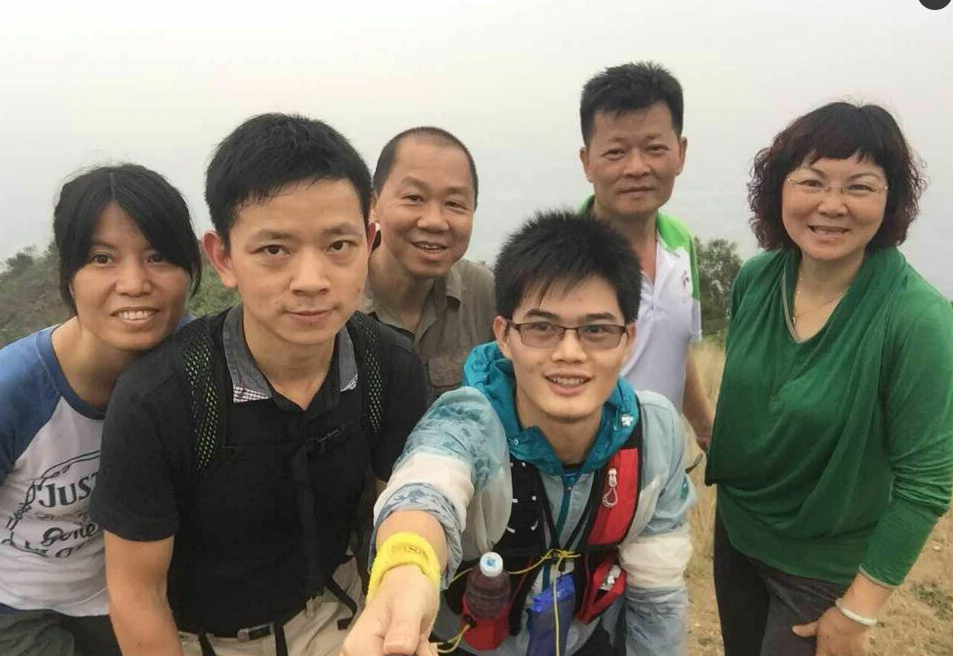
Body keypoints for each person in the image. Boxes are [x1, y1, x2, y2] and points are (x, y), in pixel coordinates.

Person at [89, 114, 428, 656]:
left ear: (369, 242)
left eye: (339, 245)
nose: (312, 280)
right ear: (223, 257)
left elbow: (400, 509)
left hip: (342, 613)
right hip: (208, 642)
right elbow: (136, 594)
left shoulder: (388, 364)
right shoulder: (163, 398)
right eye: (275, 250)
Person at [341, 210, 696, 656]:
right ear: (504, 336)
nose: (570, 352)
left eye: (597, 330)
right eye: (542, 328)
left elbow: (657, 593)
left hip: (587, 640)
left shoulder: (653, 435)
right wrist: (407, 568)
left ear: (628, 339)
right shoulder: (468, 421)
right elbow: (426, 487)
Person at [705, 102, 953, 656]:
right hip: (738, 534)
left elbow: (926, 484)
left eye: (859, 186)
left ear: (891, 198)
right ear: (780, 188)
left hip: (820, 569)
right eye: (811, 181)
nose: (832, 205)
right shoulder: (758, 278)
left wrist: (858, 611)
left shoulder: (916, 319)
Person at [0, 164, 202, 656]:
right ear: (69, 276)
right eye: (101, 258)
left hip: (124, 596)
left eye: (158, 256)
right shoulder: (16, 390)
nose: (133, 283)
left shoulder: (198, 364)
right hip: (15, 606)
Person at [578, 62, 714, 448]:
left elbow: (676, 347)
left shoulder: (681, 243)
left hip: (665, 471)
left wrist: (706, 430)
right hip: (587, 474)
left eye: (654, 149)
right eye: (616, 152)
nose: (636, 168)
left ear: (680, 153)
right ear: (587, 162)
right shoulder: (562, 262)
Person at [365, 127, 495, 404]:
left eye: (454, 203)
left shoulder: (486, 294)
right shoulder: (336, 297)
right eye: (414, 198)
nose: (435, 221)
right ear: (373, 205)